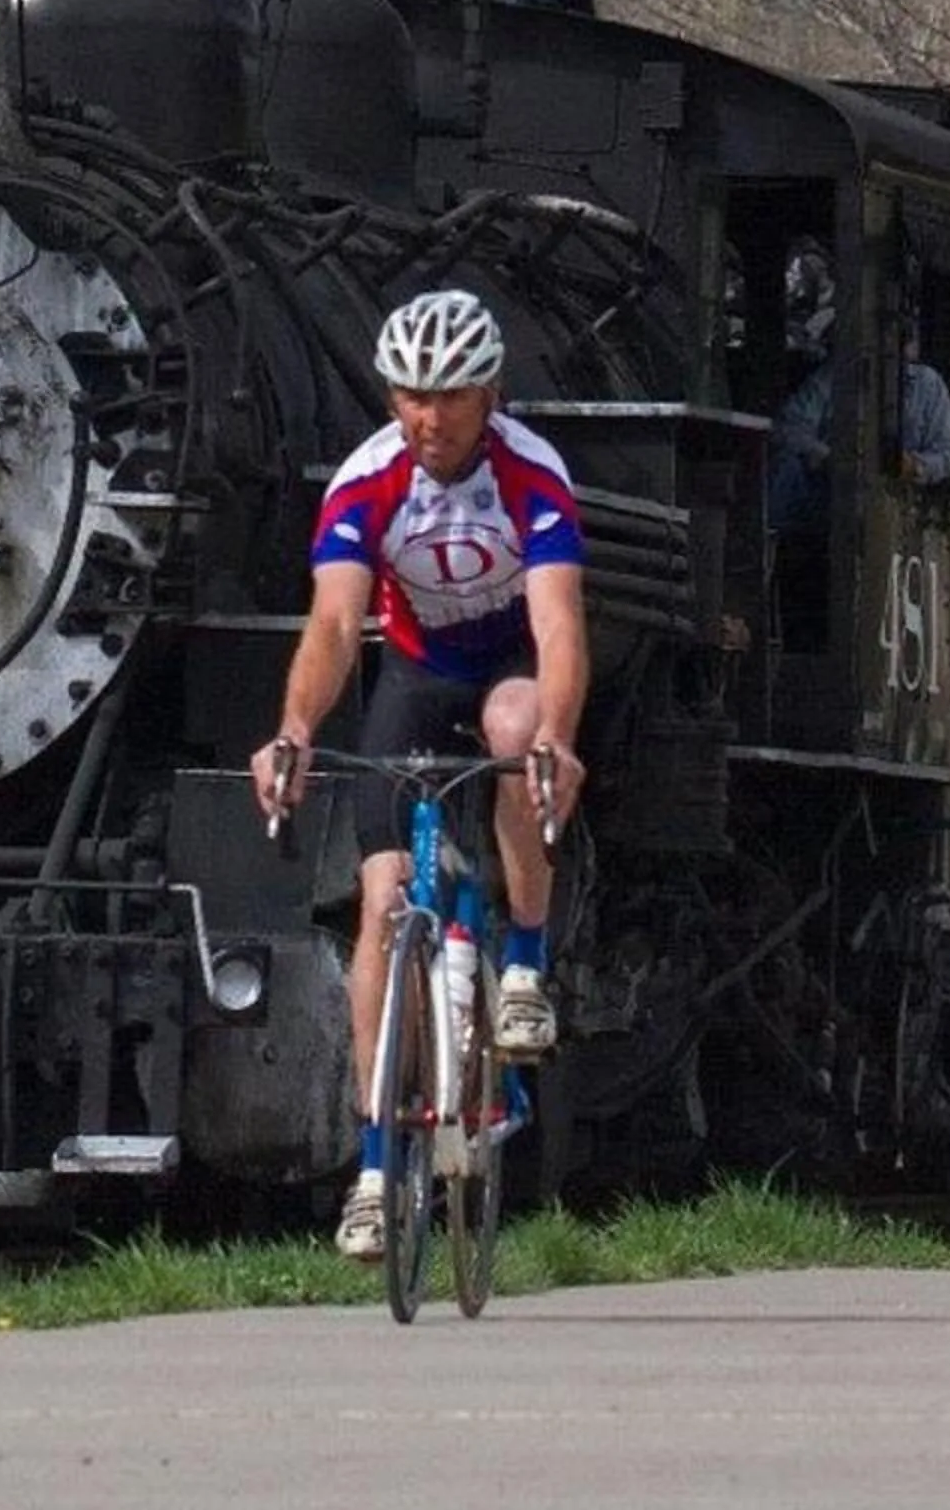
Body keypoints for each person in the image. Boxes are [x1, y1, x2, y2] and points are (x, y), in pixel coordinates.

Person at [249, 288, 589, 1263]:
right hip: (416, 669)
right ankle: (371, 1169)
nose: (427, 417)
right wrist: (295, 729)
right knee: (382, 900)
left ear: (489, 392)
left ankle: (522, 960)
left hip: (512, 662)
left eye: (447, 396)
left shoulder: (532, 473)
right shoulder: (367, 482)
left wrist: (558, 736)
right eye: (408, 394)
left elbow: (562, 622)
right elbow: (331, 624)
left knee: (515, 725)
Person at [768, 313, 950, 532]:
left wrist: (915, 466)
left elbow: (949, 454)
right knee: (787, 468)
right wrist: (830, 458)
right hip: (832, 493)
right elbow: (790, 426)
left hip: (899, 502)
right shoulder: (833, 375)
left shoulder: (928, 386)